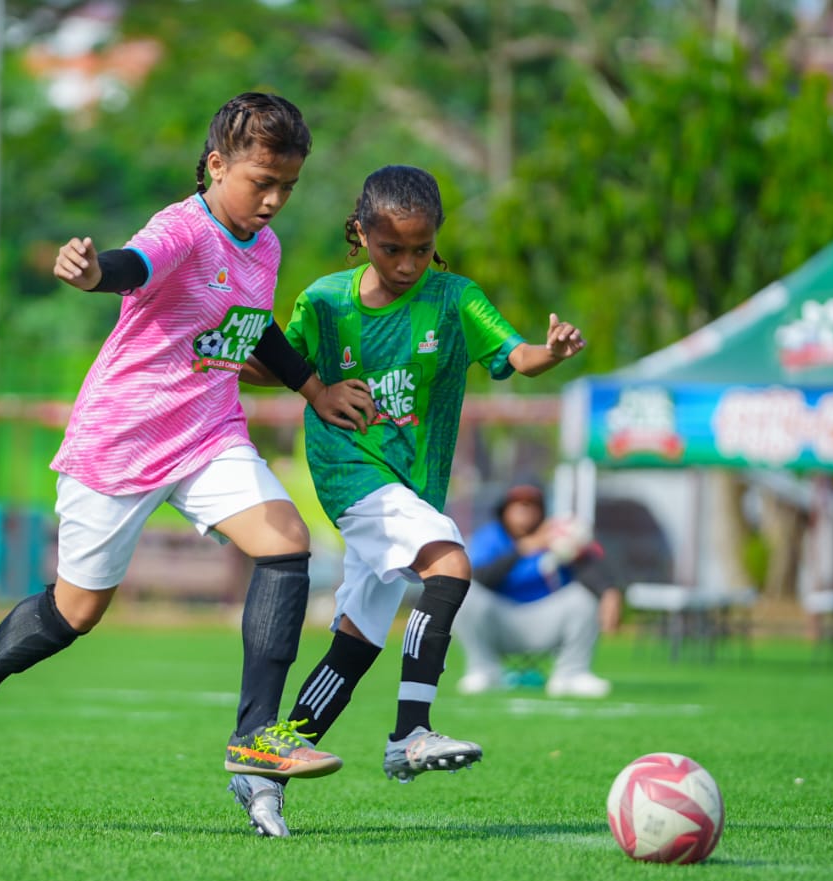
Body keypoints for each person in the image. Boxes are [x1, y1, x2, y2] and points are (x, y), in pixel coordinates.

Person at [0, 93, 379, 823]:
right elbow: (135, 265)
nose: (272, 200)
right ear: (214, 166)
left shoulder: (263, 247)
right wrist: (90, 273)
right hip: (122, 441)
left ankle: (256, 736)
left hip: (208, 434)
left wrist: (314, 389)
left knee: (285, 543)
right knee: (76, 613)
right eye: (260, 181)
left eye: (286, 187)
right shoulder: (183, 227)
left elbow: (253, 327)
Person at [240, 164, 586, 836]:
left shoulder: (456, 300)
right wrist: (222, 347)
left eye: (421, 250)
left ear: (436, 242)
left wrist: (552, 352)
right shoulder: (325, 301)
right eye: (391, 248)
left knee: (357, 643)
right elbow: (277, 366)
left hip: (409, 486)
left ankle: (263, 771)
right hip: (349, 473)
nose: (407, 263)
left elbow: (515, 357)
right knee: (450, 564)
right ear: (361, 233)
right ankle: (410, 732)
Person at [454, 482, 616, 699]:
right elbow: (483, 577)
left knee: (584, 596)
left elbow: (592, 575)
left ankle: (571, 674)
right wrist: (526, 547)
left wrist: (608, 590)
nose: (525, 511)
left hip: (545, 619)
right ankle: (484, 671)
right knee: (465, 592)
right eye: (519, 505)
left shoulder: (558, 536)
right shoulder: (490, 536)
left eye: (531, 506)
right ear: (506, 510)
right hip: (500, 620)